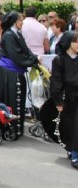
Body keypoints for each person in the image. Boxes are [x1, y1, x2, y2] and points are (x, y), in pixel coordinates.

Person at [0, 11, 42, 138]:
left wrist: (34, 58)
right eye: (20, 20)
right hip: (9, 72)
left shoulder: (17, 34)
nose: (22, 23)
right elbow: (16, 55)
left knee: (18, 99)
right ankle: (11, 129)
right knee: (12, 100)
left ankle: (17, 128)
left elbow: (26, 50)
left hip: (16, 71)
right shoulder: (9, 35)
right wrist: (33, 60)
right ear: (14, 22)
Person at [50, 30, 78, 169]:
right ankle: (72, 150)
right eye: (76, 41)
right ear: (68, 42)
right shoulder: (60, 60)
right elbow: (56, 81)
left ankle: (76, 153)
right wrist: (58, 100)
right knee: (70, 126)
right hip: (68, 97)